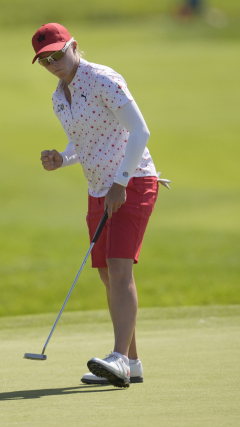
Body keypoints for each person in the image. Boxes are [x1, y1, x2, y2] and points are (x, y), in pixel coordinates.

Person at [32, 23, 169, 388]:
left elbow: (140, 131)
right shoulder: (59, 98)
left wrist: (121, 182)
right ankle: (133, 362)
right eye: (46, 60)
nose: (54, 63)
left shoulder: (104, 79)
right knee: (108, 274)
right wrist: (62, 158)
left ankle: (119, 359)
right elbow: (86, 142)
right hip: (98, 190)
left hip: (133, 182)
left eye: (58, 54)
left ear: (74, 46)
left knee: (119, 268)